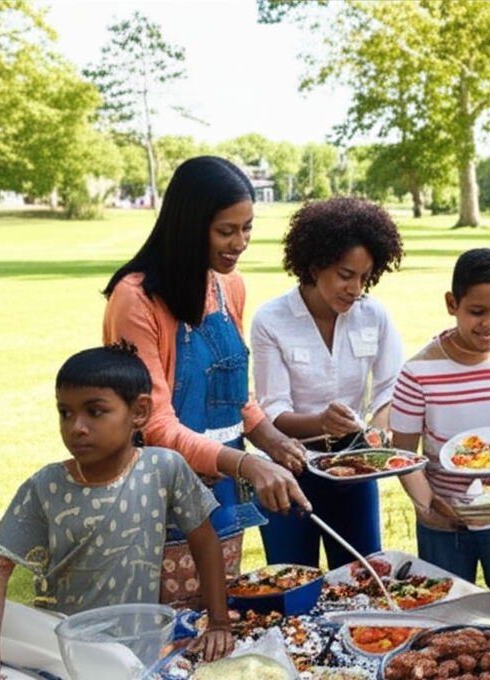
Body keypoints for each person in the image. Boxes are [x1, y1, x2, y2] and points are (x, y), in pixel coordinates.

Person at [103, 156, 310, 601]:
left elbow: (234, 394)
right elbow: (153, 423)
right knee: (175, 620)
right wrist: (248, 464)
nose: (240, 243)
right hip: (160, 496)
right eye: (226, 231)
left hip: (224, 491)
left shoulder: (229, 285)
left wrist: (275, 443)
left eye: (247, 228)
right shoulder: (135, 299)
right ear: (190, 226)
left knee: (219, 612)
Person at [0, 345, 234, 680]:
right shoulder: (45, 487)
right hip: (62, 656)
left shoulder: (163, 468)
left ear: (139, 411)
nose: (76, 427)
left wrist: (219, 623)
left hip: (138, 654)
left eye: (94, 412)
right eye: (65, 413)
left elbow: (204, 539)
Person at [250, 196, 404, 568]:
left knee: (363, 577)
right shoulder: (270, 320)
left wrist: (377, 432)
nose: (355, 288)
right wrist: (321, 422)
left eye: (364, 277)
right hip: (288, 474)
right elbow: (273, 411)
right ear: (315, 265)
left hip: (355, 472)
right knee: (293, 581)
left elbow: (391, 387)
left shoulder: (374, 315)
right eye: (345, 275)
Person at [390, 248, 490, 605]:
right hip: (444, 522)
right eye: (477, 312)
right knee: (447, 610)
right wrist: (430, 506)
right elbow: (402, 454)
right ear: (451, 303)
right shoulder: (418, 372)